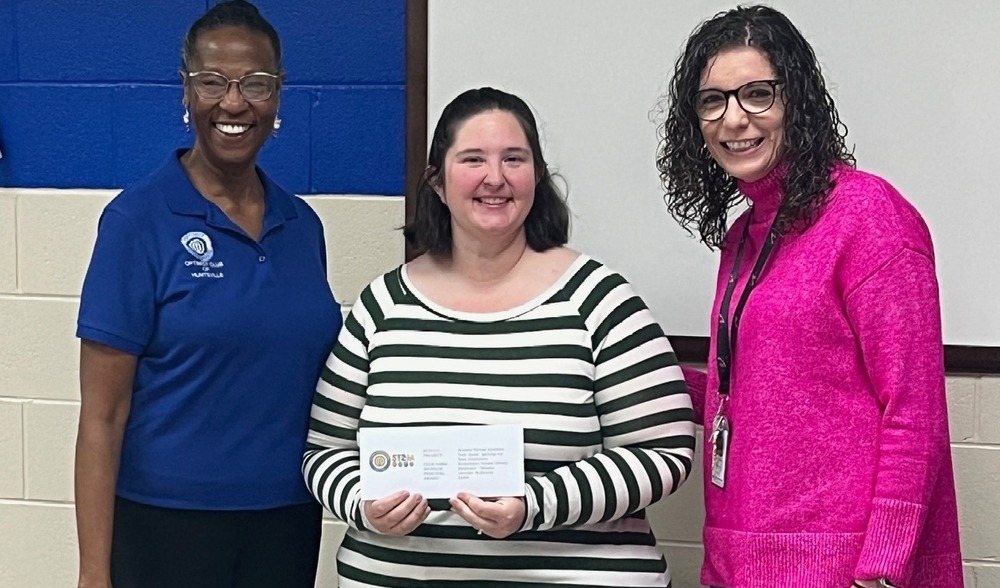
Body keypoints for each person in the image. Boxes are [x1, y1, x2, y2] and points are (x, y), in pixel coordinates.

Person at [302, 87, 696, 587]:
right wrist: (362, 503)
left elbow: (663, 452)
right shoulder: (382, 306)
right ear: (437, 182)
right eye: (473, 159)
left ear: (537, 176)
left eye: (514, 159)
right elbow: (324, 453)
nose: (495, 177)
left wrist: (535, 504)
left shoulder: (598, 300)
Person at [656, 5, 963, 588]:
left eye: (757, 94)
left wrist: (882, 569)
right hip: (736, 560)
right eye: (712, 101)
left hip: (845, 569)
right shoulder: (743, 237)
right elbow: (757, 395)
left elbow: (914, 409)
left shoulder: (870, 218)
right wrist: (636, 374)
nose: (734, 119)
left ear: (796, 99)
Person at [73, 2, 341, 587]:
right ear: (187, 90)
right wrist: (94, 572)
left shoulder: (303, 226)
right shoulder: (136, 222)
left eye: (256, 83)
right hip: (165, 526)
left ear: (279, 94)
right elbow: (102, 416)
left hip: (287, 521)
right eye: (213, 82)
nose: (234, 102)